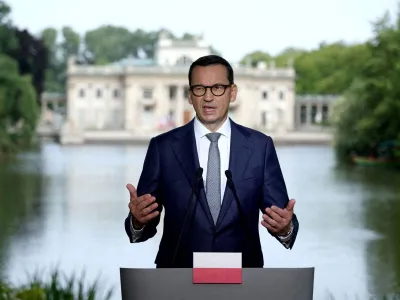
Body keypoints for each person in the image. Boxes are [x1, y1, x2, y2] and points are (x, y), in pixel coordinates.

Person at [125, 55, 299, 268]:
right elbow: (143, 224)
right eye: (199, 88)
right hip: (177, 278)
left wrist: (285, 228)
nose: (208, 97)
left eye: (217, 87)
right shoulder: (163, 147)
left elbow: (281, 216)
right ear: (190, 95)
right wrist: (138, 221)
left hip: (243, 278)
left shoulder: (260, 147)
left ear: (232, 92)